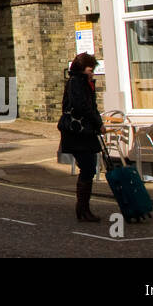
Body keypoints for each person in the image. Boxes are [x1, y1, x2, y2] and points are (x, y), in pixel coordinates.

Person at [59, 52, 103, 222]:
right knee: (88, 167)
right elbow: (82, 106)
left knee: (89, 168)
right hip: (77, 132)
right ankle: (82, 209)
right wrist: (98, 123)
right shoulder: (76, 82)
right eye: (90, 70)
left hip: (85, 131)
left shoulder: (84, 82)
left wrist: (98, 123)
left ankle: (84, 209)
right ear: (81, 69)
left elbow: (91, 105)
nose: (92, 73)